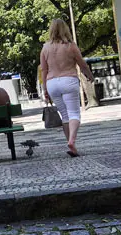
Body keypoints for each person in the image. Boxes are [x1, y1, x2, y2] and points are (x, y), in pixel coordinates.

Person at [40, 18, 94, 157]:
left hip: (52, 82)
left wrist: (45, 89)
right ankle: (72, 141)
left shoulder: (45, 48)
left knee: (64, 115)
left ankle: (71, 146)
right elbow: (82, 64)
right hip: (69, 79)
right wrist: (89, 76)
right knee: (74, 114)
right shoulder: (71, 46)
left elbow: (44, 71)